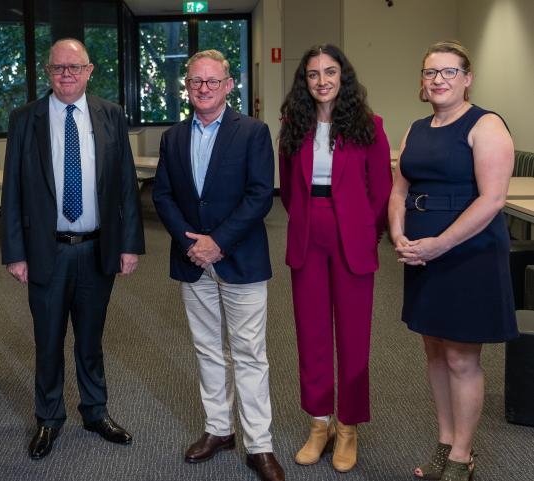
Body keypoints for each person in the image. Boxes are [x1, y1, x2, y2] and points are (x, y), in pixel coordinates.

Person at [1, 38, 145, 460]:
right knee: (47, 340)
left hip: (97, 248)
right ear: (48, 72)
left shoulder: (110, 115)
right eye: (58, 68)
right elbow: (12, 189)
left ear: (89, 70)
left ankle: (95, 411)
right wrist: (15, 251)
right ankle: (48, 419)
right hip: (47, 250)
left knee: (91, 339)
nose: (67, 75)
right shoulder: (25, 118)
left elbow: (125, 186)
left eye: (75, 68)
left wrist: (130, 245)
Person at [151, 49, 283, 481]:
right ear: (186, 87)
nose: (203, 89)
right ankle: (218, 429)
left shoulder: (254, 132)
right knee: (208, 349)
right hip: (192, 260)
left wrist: (218, 242)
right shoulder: (172, 138)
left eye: (212, 81)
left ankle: (259, 444)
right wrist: (193, 244)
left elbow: (261, 194)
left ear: (229, 85)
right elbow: (164, 197)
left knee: (249, 354)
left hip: (239, 257)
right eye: (195, 82)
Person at [388, 40, 516, 481]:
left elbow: (493, 199)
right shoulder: (416, 129)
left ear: (467, 78)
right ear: (422, 83)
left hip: (467, 252)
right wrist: (399, 232)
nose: (438, 79)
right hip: (422, 253)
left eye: (448, 71)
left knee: (462, 357)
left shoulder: (487, 125)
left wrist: (440, 243)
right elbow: (399, 190)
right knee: (435, 350)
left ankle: (463, 456)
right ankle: (445, 441)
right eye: (430, 73)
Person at [278, 44, 392, 473]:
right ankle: (319, 422)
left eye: (329, 72)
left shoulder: (368, 125)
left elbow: (380, 188)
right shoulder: (294, 124)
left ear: (342, 76)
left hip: (354, 238)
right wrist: (311, 219)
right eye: (312, 74)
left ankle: (348, 427)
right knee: (311, 336)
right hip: (308, 234)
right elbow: (288, 190)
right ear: (303, 81)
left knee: (353, 336)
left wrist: (367, 231)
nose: (321, 80)